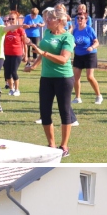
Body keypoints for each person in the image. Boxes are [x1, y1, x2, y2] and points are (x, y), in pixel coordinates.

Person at [24, 8, 76, 156]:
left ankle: (64, 146)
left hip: (64, 78)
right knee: (45, 112)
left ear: (59, 21)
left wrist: (43, 53)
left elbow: (63, 59)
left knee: (64, 112)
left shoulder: (67, 37)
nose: (46, 21)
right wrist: (34, 65)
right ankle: (51, 145)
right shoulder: (47, 33)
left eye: (50, 19)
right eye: (46, 18)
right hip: (46, 77)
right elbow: (42, 51)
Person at [70, 11, 102, 104]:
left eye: (81, 18)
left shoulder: (89, 30)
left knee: (89, 77)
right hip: (78, 55)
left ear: (86, 20)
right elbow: (73, 41)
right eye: (78, 18)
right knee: (76, 77)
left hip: (89, 55)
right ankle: (77, 97)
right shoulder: (75, 30)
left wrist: (92, 47)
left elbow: (97, 42)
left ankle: (98, 96)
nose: (79, 20)